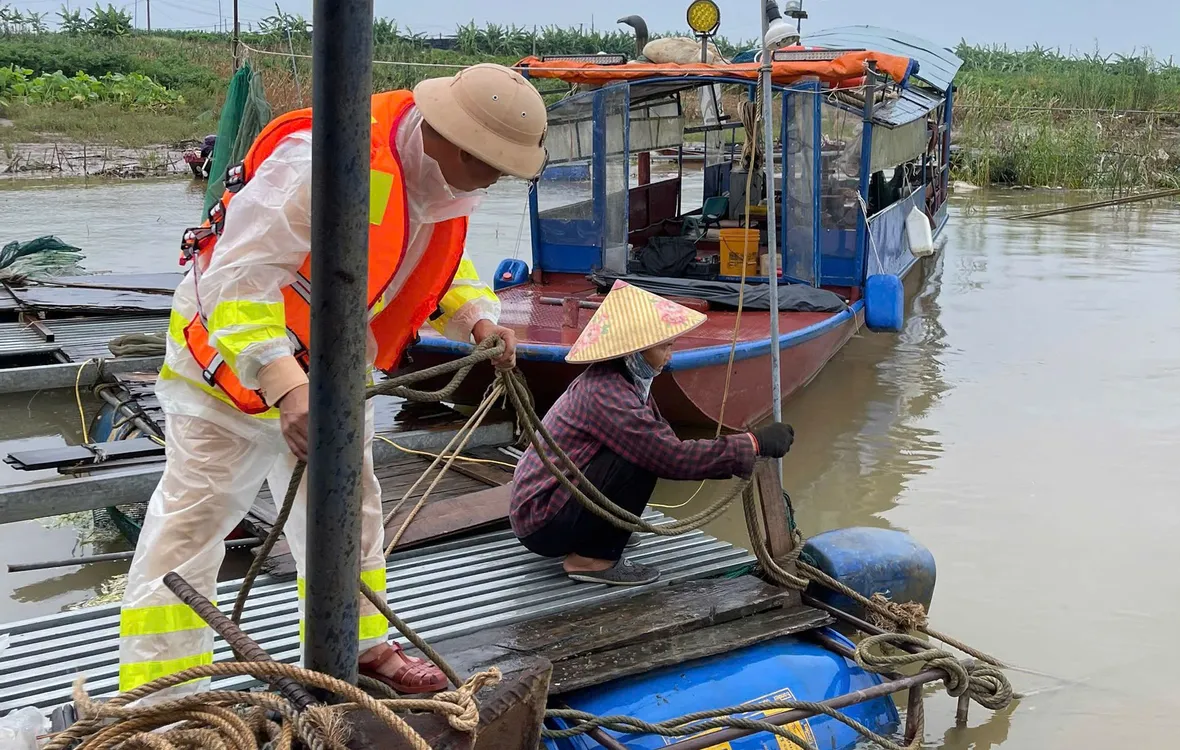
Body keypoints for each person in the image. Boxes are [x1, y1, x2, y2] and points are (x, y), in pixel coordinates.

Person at [119, 63, 547, 698]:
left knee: (352, 512)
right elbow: (238, 277)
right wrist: (286, 385)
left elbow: (433, 266)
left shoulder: (438, 187)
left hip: (330, 379)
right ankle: (161, 694)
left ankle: (364, 646)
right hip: (228, 374)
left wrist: (480, 321)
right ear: (449, 138)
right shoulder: (321, 159)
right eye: (487, 164)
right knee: (190, 530)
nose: (490, 180)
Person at [509, 281, 796, 586]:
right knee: (643, 459)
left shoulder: (622, 380)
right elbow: (670, 457)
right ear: (634, 350)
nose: (669, 356)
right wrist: (752, 444)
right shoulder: (607, 394)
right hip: (541, 520)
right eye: (664, 347)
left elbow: (661, 438)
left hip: (548, 505)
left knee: (643, 448)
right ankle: (591, 558)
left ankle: (598, 532)